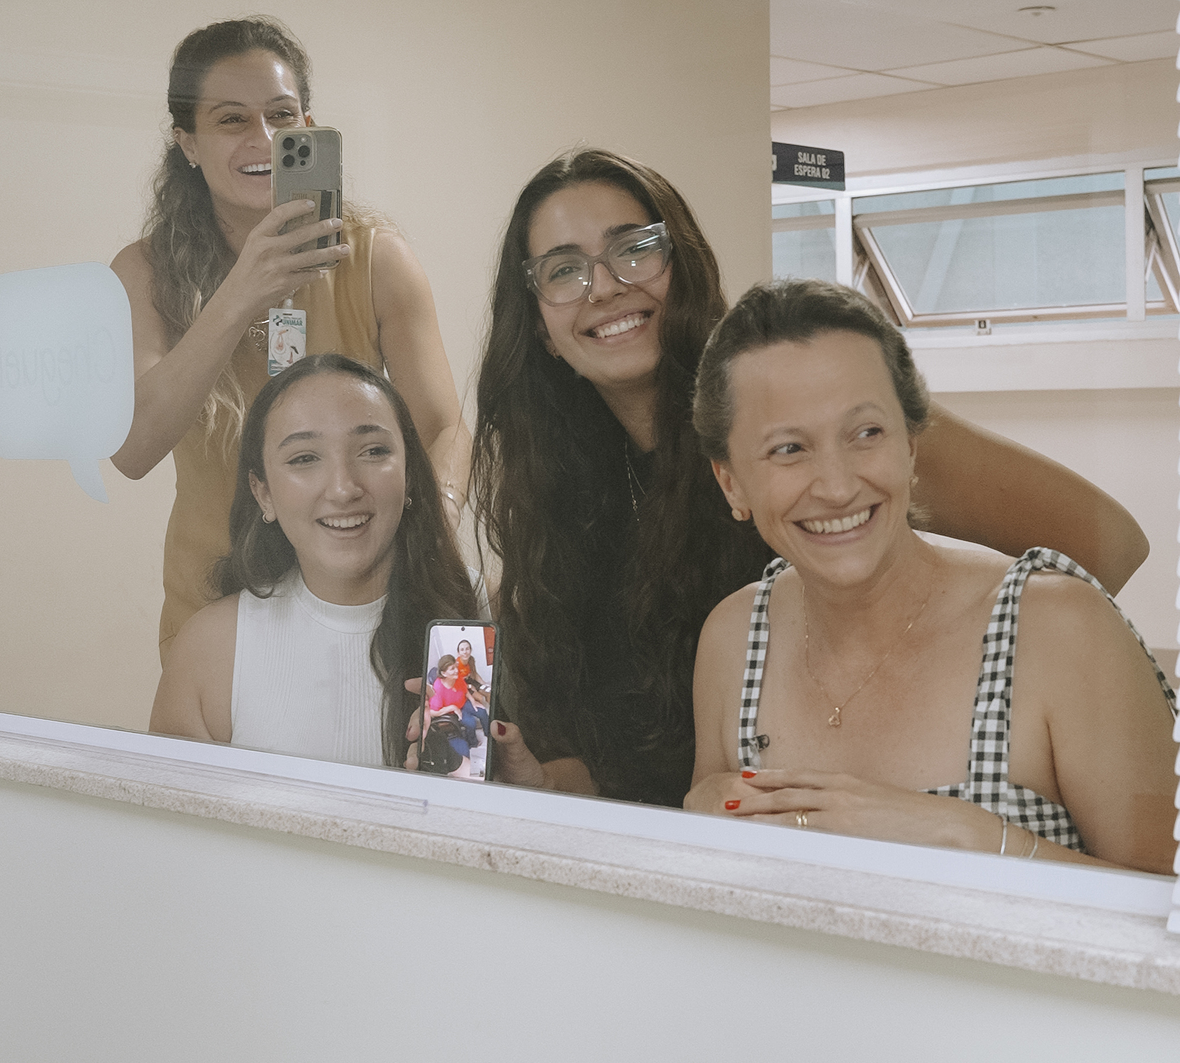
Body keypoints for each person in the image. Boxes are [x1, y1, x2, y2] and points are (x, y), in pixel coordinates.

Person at [471, 148, 1150, 810]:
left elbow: (1109, 546)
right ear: (539, 325)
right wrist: (543, 782)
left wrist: (932, 736)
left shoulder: (825, 398)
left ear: (685, 264)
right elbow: (637, 768)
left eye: (635, 248)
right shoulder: (567, 492)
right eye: (564, 270)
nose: (605, 286)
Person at [684, 280, 1175, 873]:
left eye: (867, 433)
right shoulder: (734, 639)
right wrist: (698, 820)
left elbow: (1167, 901)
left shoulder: (1060, 628)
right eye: (789, 449)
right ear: (731, 483)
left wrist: (970, 836)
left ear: (912, 446)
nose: (837, 486)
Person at [111, 17, 469, 657]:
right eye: (231, 119)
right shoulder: (143, 273)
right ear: (187, 143)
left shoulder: (375, 259)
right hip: (215, 609)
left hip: (366, 600)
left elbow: (445, 427)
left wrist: (426, 531)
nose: (263, 138)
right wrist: (242, 292)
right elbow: (132, 450)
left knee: (432, 718)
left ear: (308, 125)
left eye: (281, 115)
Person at [149, 354, 478, 769]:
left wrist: (522, 780)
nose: (343, 488)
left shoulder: (487, 613)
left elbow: (550, 781)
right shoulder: (210, 648)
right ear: (263, 493)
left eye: (373, 451)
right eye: (304, 458)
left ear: (410, 473)